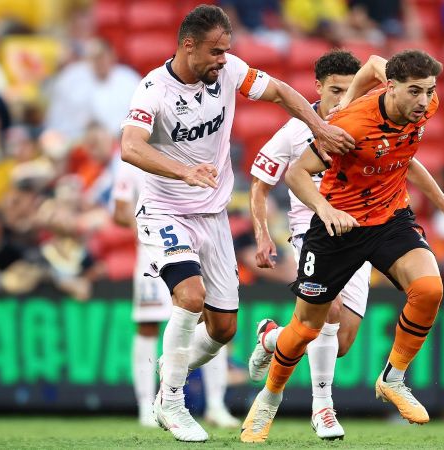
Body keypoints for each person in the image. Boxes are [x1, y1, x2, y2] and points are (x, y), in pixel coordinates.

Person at [119, 5, 354, 442]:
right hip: (166, 210)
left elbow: (282, 93)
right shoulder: (153, 89)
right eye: (215, 52)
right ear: (188, 46)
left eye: (227, 50)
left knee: (223, 329)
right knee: (190, 297)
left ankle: (170, 372)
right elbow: (130, 147)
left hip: (214, 215)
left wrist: (319, 126)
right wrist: (182, 170)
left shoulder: (229, 72)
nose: (223, 59)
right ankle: (173, 402)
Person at [240, 50, 444, 443]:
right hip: (336, 227)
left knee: (429, 289)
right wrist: (325, 209)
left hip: (388, 218)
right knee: (308, 327)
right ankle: (268, 401)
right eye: (414, 91)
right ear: (393, 89)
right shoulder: (347, 127)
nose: (423, 101)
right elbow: (297, 174)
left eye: (428, 91)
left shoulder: (424, 105)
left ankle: (394, 379)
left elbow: (404, 149)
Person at [247, 49, 385, 440]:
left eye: (349, 92)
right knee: (330, 311)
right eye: (335, 91)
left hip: (359, 234)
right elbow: (260, 182)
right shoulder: (295, 131)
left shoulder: (365, 123)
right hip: (311, 233)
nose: (342, 101)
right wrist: (262, 232)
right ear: (318, 87)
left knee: (339, 342)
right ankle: (322, 407)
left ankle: (271, 336)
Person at [111, 159, 239, 429]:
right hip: (152, 253)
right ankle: (146, 406)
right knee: (148, 326)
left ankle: (216, 404)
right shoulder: (134, 161)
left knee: (208, 319)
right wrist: (151, 224)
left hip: (190, 249)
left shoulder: (190, 151)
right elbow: (119, 211)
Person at [45, 39, 141, 141]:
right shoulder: (71, 78)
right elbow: (57, 117)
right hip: (75, 140)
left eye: (102, 56)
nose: (100, 62)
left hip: (119, 143)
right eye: (94, 57)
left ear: (112, 56)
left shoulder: (129, 79)